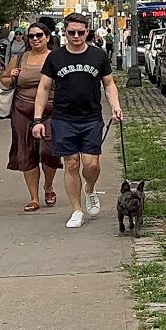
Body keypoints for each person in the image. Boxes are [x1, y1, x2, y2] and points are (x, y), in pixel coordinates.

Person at [32, 13, 123, 228]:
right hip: (63, 118)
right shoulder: (55, 58)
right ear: (64, 32)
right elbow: (43, 88)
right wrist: (37, 119)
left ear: (87, 32)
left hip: (91, 117)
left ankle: (90, 189)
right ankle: (77, 209)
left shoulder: (98, 55)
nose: (76, 36)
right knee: (71, 163)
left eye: (80, 32)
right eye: (71, 32)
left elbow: (109, 84)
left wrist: (116, 106)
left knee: (91, 165)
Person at [3, 22, 61, 212]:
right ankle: (34, 198)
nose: (35, 39)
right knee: (26, 151)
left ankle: (48, 186)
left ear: (47, 37)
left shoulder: (56, 58)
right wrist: (12, 76)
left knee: (49, 151)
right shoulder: (20, 58)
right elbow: (4, 81)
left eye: (39, 35)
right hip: (22, 110)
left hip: (51, 110)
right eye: (31, 36)